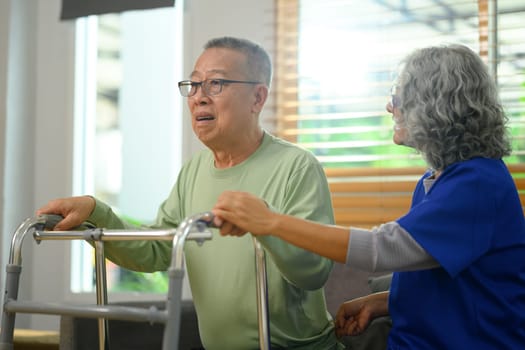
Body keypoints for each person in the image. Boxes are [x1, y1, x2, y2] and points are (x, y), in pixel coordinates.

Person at [37, 36, 343, 349]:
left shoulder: (298, 166)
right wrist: (94, 211)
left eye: (216, 83)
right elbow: (156, 249)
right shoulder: (193, 170)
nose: (198, 97)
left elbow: (314, 271)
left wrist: (266, 225)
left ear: (257, 98)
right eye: (193, 85)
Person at [212, 44, 525, 349]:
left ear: (435, 107)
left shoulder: (478, 186)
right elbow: (444, 277)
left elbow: (382, 248)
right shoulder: (436, 181)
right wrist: (382, 302)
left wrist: (271, 222)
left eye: (399, 97)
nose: (391, 107)